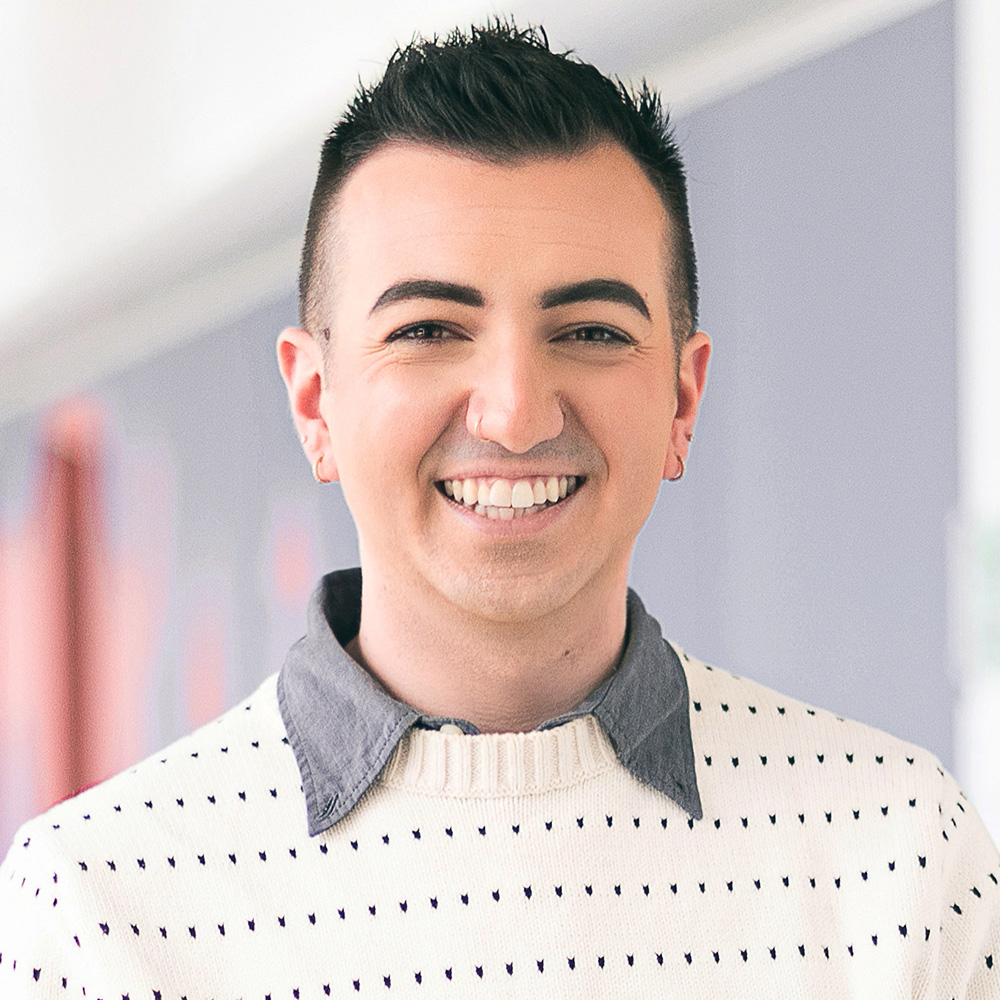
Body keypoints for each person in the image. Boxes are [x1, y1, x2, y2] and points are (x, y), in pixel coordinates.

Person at [1, 21, 998, 999]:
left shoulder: (898, 859)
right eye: (431, 327)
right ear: (315, 402)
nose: (515, 412)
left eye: (591, 331)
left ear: (683, 401)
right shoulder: (97, 907)